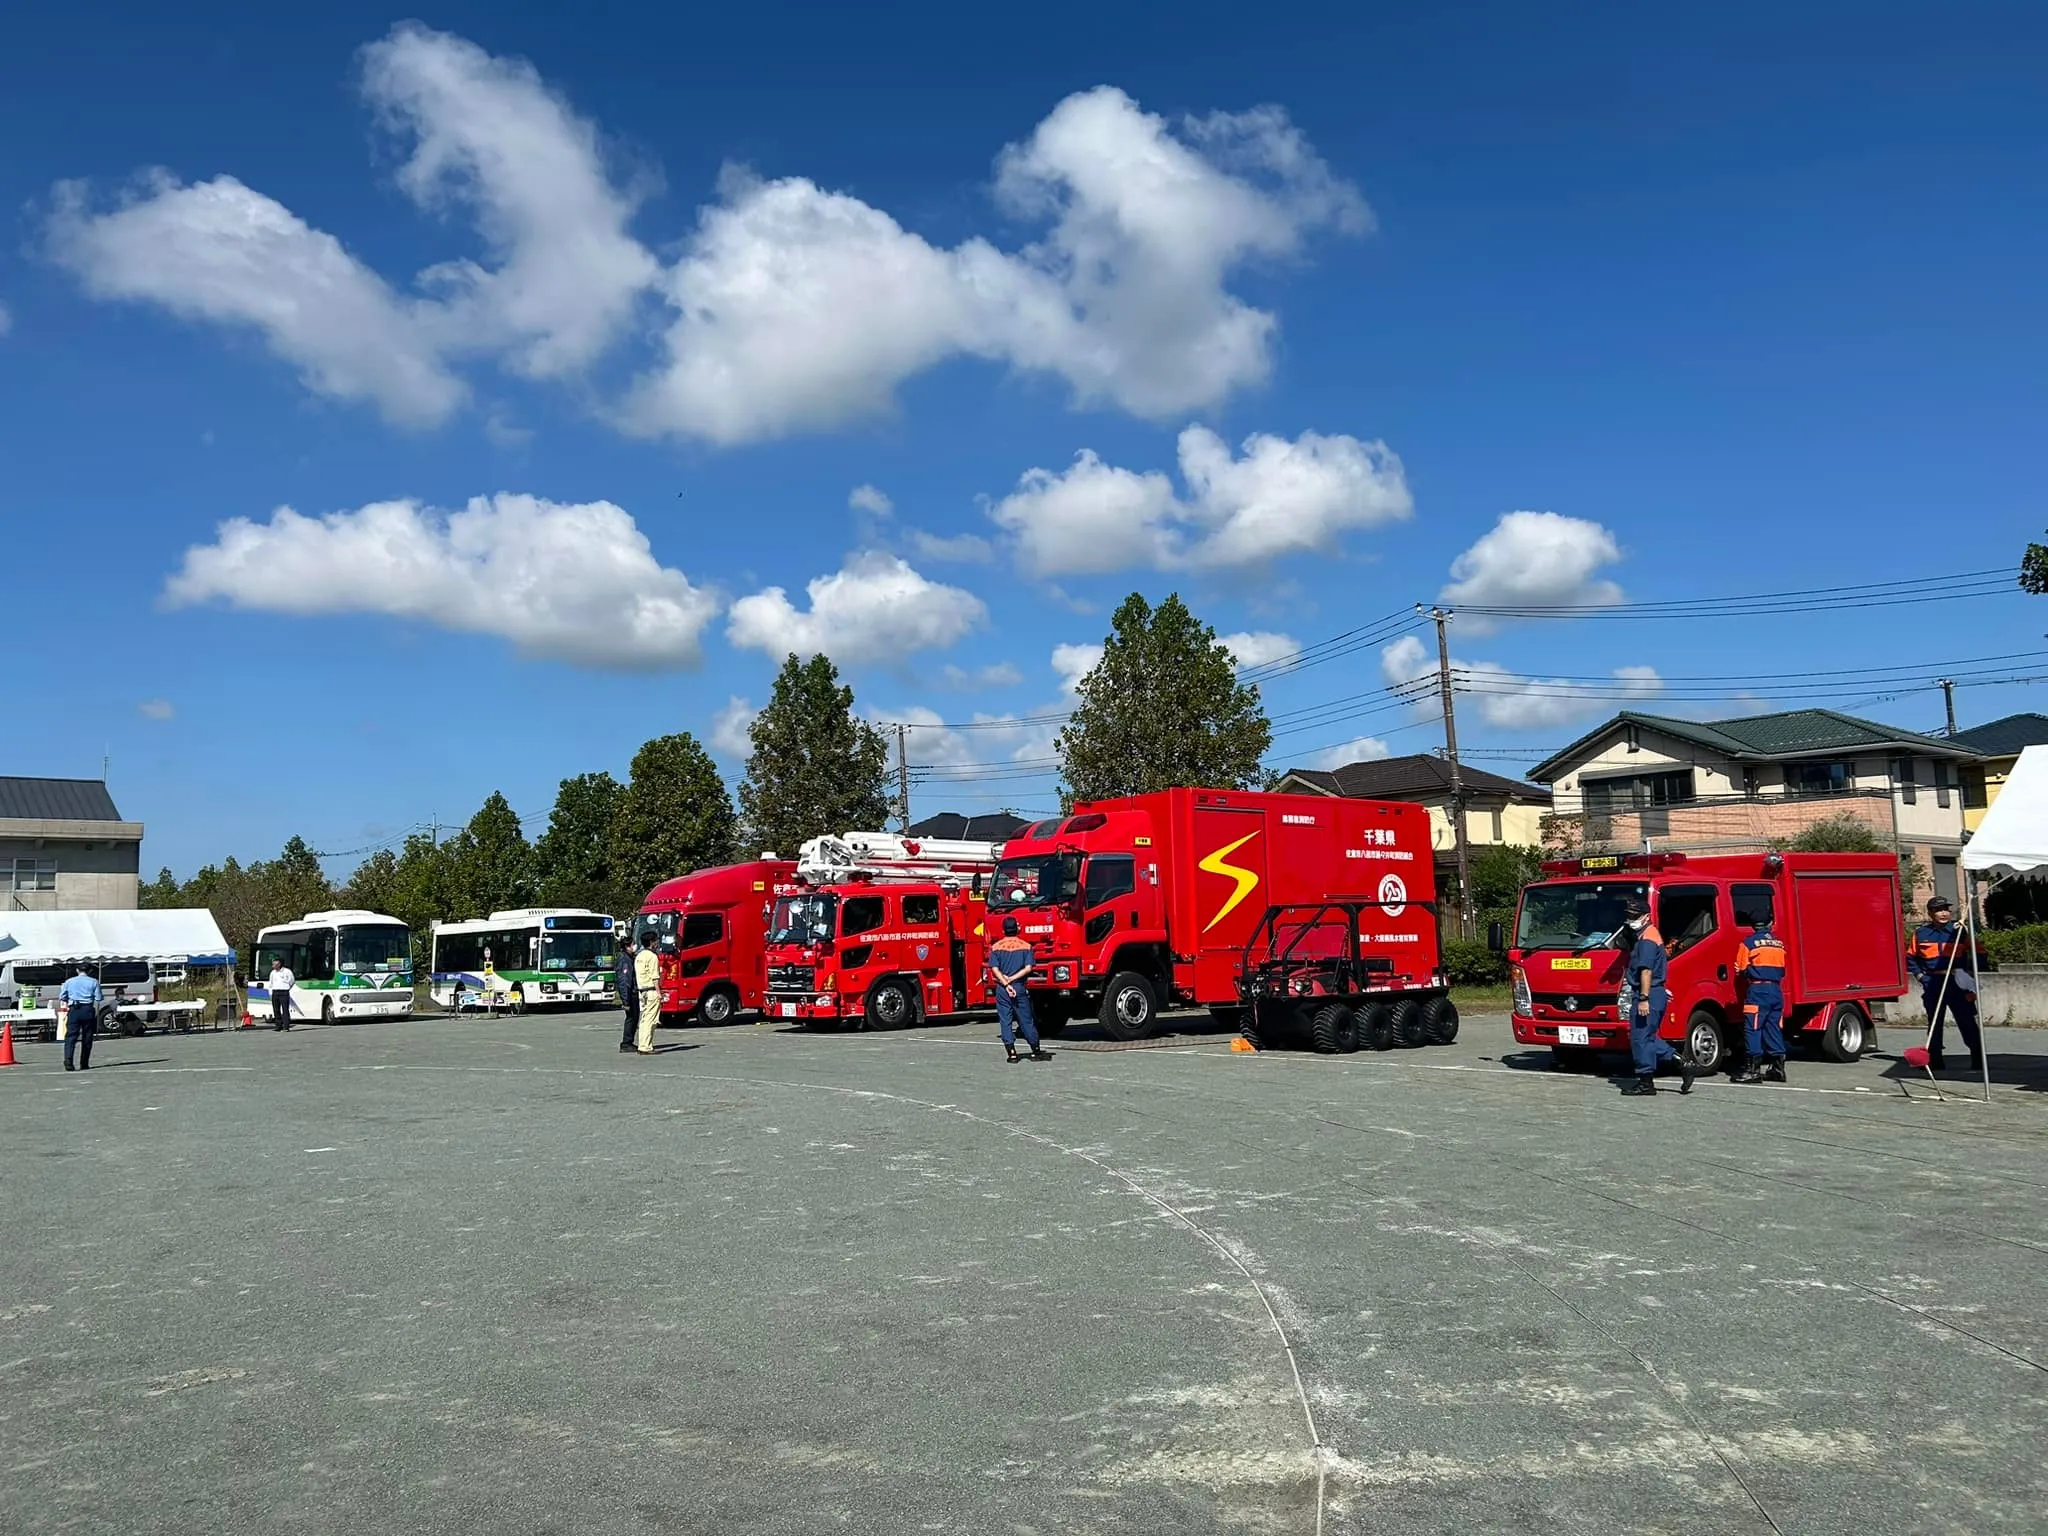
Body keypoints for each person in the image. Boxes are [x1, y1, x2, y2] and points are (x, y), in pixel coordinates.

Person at [1622, 896, 1693, 1096]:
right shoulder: (1650, 934)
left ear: (1646, 916)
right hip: (1656, 992)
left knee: (1640, 1039)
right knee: (1648, 1037)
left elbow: (1645, 971)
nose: (1630, 920)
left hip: (1648, 993)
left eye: (1634, 916)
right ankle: (1683, 1063)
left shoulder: (1647, 940)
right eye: (1629, 916)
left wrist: (1644, 998)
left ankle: (1646, 1082)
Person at [1908, 896, 1982, 1073]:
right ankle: (1935, 1060)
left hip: (1957, 982)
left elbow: (1980, 952)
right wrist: (1920, 976)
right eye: (1938, 910)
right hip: (1933, 982)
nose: (1943, 913)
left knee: (1966, 1021)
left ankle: (1978, 1058)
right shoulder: (1921, 934)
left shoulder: (1960, 932)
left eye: (1946, 909)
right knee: (1934, 1022)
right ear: (1931, 913)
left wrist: (1969, 974)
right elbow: (1910, 957)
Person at [1733, 905, 1789, 1085]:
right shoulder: (1779, 944)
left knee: (1753, 1028)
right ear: (1770, 923)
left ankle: (1752, 1070)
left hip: (1757, 990)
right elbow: (1782, 969)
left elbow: (1741, 968)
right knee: (1773, 1027)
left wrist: (1747, 972)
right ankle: (1778, 1068)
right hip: (1775, 990)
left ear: (1752, 925)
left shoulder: (1748, 943)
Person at [986, 917, 1050, 1064]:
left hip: (1002, 989)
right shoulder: (1026, 946)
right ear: (1017, 928)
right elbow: (1028, 968)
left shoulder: (996, 947)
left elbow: (994, 969)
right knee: (1026, 1020)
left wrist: (1005, 982)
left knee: (1005, 1020)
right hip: (1019, 987)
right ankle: (1035, 1049)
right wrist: (1013, 980)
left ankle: (1012, 1053)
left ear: (1003, 930)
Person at [58, 962, 103, 1072]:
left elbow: (62, 996)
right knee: (87, 1037)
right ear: (89, 971)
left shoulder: (69, 981)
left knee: (70, 1036)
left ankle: (68, 1060)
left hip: (74, 1009)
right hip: (87, 1009)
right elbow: (99, 998)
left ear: (77, 970)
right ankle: (84, 1062)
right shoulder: (94, 981)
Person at [633, 931, 662, 1056]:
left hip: (642, 989)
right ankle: (646, 1046)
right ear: (652, 942)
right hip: (651, 990)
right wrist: (659, 992)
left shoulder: (639, 956)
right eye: (656, 940)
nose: (657, 943)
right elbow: (655, 976)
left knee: (644, 1018)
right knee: (651, 1019)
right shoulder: (652, 957)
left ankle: (642, 1044)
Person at [616, 934, 641, 1055]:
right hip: (630, 994)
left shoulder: (629, 958)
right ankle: (626, 1043)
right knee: (631, 1018)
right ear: (627, 946)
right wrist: (625, 1000)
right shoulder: (624, 959)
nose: (634, 946)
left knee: (634, 1018)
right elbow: (624, 981)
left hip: (633, 992)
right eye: (632, 944)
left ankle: (629, 1041)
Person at [267, 955, 295, 1032]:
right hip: (275, 992)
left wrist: (288, 987)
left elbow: (292, 981)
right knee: (276, 1010)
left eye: (275, 964)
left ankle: (286, 1026)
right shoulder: (273, 973)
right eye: (272, 964)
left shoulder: (287, 971)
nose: (273, 966)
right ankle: (278, 1026)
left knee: (285, 1009)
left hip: (284, 992)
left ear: (279, 964)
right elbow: (271, 983)